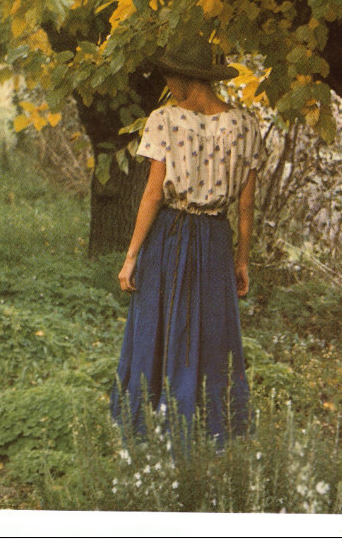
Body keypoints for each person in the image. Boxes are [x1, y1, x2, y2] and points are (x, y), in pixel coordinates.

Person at [110, 36, 263, 444]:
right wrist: (242, 259)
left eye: (171, 75)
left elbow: (152, 194)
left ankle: (146, 428)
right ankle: (211, 430)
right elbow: (246, 206)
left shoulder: (165, 119)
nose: (168, 82)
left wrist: (131, 256)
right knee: (212, 334)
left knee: (155, 326)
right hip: (215, 238)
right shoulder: (246, 124)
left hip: (170, 236)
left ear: (186, 77)